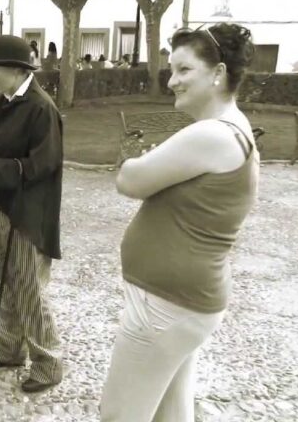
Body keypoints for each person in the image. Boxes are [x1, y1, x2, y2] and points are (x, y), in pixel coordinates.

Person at [100, 23, 259, 421]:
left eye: (184, 69)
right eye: (172, 70)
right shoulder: (228, 130)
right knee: (170, 414)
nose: (172, 81)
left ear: (218, 73)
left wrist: (130, 157)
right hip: (180, 303)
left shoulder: (212, 135)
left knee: (119, 416)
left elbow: (130, 181)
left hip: (166, 306)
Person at [0, 35, 64, 393]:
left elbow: (43, 165)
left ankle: (48, 362)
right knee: (9, 281)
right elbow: (5, 154)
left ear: (16, 70)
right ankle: (10, 348)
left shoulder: (41, 108)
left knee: (29, 287)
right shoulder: (7, 101)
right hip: (6, 206)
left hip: (29, 213)